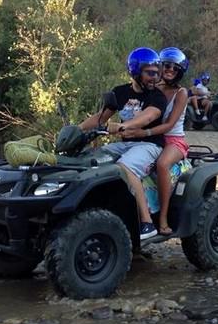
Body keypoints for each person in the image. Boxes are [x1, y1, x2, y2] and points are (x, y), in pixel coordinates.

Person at [79, 47, 167, 240]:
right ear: (135, 71)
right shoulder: (120, 92)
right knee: (91, 160)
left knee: (125, 167)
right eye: (150, 73)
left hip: (149, 145)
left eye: (157, 73)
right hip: (125, 144)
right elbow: (100, 118)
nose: (155, 77)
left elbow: (147, 117)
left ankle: (147, 223)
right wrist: (77, 130)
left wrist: (121, 126)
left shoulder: (157, 96)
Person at [120, 47, 189, 235]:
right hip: (151, 138)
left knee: (162, 164)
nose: (169, 70)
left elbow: (169, 125)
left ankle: (163, 218)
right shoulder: (153, 88)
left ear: (180, 72)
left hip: (173, 140)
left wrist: (144, 132)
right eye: (166, 66)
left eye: (174, 69)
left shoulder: (181, 93)